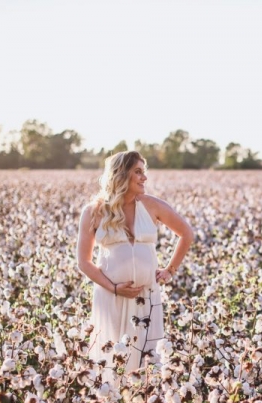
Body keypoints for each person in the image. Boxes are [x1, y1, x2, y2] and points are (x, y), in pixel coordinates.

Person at [77, 151, 194, 385]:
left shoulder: (152, 205)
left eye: (144, 171)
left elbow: (186, 233)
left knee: (148, 361)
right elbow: (84, 262)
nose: (144, 177)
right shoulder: (93, 211)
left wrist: (170, 270)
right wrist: (114, 287)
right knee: (111, 361)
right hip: (110, 298)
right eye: (138, 172)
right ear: (121, 174)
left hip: (147, 297)